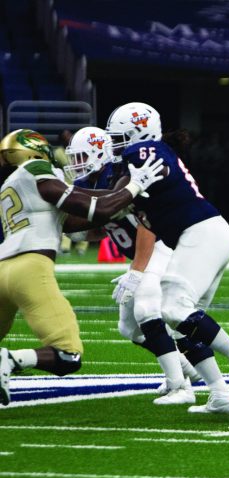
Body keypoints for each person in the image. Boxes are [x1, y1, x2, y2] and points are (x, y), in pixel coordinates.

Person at [106, 101, 229, 414]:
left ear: (139, 133)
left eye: (119, 137)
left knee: (173, 307)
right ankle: (220, 395)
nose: (116, 145)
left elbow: (117, 200)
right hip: (205, 234)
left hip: (201, 233)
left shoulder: (143, 151)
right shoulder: (147, 154)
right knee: (185, 323)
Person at [0, 128, 164, 404]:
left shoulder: (11, 185)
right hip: (30, 268)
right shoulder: (36, 168)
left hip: (3, 266)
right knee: (68, 354)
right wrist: (134, 187)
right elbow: (93, 208)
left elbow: (74, 220)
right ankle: (11, 359)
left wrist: (119, 201)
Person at [65, 126, 200, 406]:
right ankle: (187, 369)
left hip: (159, 247)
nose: (76, 164)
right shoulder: (97, 180)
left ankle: (181, 386)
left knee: (147, 309)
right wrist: (85, 233)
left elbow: (145, 226)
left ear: (98, 153)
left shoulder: (118, 177)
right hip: (145, 254)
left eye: (81, 156)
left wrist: (137, 272)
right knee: (129, 329)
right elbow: (109, 225)